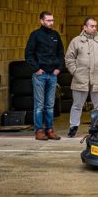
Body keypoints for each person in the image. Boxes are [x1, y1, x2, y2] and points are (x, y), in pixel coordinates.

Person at [64, 17, 98, 138]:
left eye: (95, 26)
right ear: (85, 27)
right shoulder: (76, 41)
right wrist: (75, 71)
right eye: (92, 26)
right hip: (80, 78)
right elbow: (69, 58)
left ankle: (97, 128)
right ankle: (73, 127)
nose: (94, 28)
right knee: (77, 105)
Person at [25, 11, 65, 141]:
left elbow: (60, 53)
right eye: (48, 20)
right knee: (39, 105)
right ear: (41, 21)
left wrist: (59, 68)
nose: (51, 23)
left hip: (53, 75)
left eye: (52, 20)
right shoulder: (35, 35)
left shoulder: (55, 35)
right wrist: (36, 69)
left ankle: (49, 130)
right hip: (40, 75)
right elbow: (28, 54)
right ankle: (39, 131)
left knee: (50, 105)